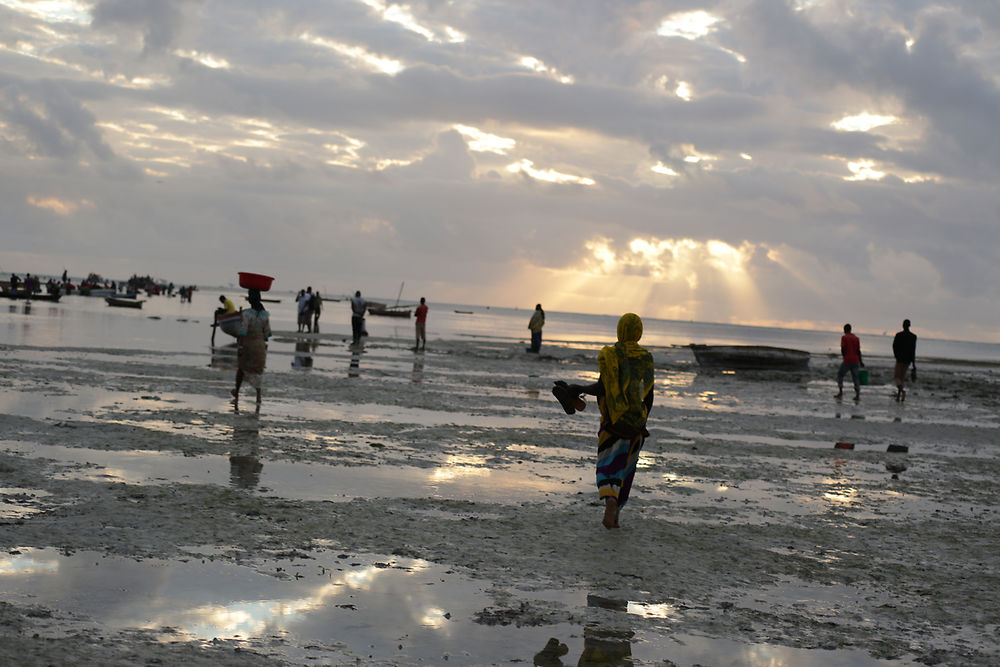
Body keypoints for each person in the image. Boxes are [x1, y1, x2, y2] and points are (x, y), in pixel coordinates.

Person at [552, 314, 654, 529]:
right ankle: (615, 513)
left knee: (609, 465)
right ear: (638, 332)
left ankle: (610, 500)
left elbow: (601, 388)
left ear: (620, 330)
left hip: (612, 422)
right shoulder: (645, 357)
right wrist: (643, 421)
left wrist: (578, 388)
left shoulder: (611, 355)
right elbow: (649, 396)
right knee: (627, 469)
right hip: (636, 425)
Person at [232, 289, 271, 406]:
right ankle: (258, 396)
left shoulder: (246, 313)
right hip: (260, 346)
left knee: (241, 368)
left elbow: (243, 331)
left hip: (248, 344)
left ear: (250, 300)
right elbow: (267, 334)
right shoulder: (265, 314)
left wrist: (240, 346)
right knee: (258, 370)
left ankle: (237, 392)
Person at [835, 323, 864, 401]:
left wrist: (844, 356)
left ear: (845, 330)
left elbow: (843, 348)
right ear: (850, 329)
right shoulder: (856, 338)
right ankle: (857, 395)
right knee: (855, 377)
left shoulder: (844, 337)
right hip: (855, 360)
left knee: (840, 374)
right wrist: (861, 361)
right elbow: (858, 351)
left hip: (847, 360)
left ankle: (840, 392)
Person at [892, 319, 917, 402]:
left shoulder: (899, 335)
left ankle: (902, 391)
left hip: (899, 359)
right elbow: (913, 350)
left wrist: (896, 356)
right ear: (909, 326)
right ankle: (899, 396)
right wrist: (913, 363)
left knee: (896, 377)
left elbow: (894, 346)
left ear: (903, 325)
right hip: (908, 360)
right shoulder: (913, 337)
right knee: (902, 378)